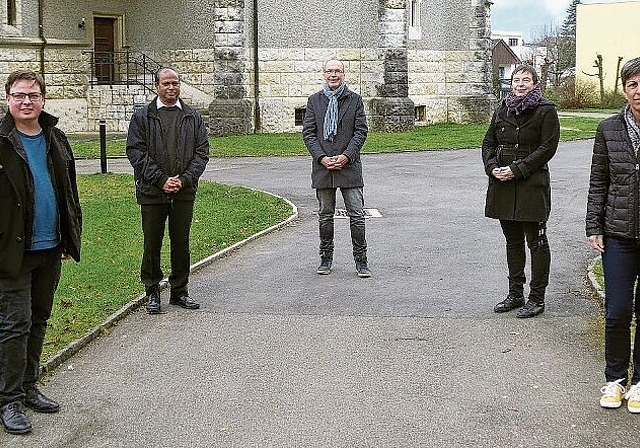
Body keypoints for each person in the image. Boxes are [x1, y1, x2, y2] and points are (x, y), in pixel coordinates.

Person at [0, 69, 82, 435]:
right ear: (7, 99)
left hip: (50, 248)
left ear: (43, 99)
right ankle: (8, 399)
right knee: (13, 325)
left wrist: (68, 237)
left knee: (38, 319)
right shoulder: (2, 141)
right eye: (19, 95)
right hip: (10, 252)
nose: (26, 101)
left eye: (33, 95)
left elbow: (69, 192)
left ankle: (29, 386)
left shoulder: (55, 138)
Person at [126, 68, 209, 314]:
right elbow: (136, 152)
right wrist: (161, 179)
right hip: (152, 193)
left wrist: (183, 180)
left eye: (175, 83)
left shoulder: (192, 117)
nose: (171, 88)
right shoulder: (143, 116)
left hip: (183, 192)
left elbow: (201, 152)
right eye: (166, 83)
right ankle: (152, 291)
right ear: (157, 86)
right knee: (152, 243)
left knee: (181, 243)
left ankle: (179, 291)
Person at [481, 64, 560, 318]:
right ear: (511, 83)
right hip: (503, 185)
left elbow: (547, 147)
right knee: (512, 242)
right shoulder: (501, 109)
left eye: (526, 80)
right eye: (517, 80)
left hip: (531, 185)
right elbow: (488, 143)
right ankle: (515, 294)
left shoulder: (546, 111)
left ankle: (537, 298)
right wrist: (492, 167)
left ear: (535, 83)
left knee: (536, 242)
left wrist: (518, 168)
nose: (521, 84)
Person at [586, 56, 640, 412]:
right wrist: (594, 226)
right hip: (619, 234)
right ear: (624, 89)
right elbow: (598, 181)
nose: (639, 91)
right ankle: (616, 379)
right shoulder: (608, 128)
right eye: (633, 84)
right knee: (617, 310)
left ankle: (639, 384)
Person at [302, 59, 370, 277]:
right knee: (325, 215)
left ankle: (361, 262)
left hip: (348, 167)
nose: (333, 75)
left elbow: (361, 132)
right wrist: (321, 157)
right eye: (329, 71)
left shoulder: (355, 100)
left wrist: (346, 156)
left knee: (357, 215)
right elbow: (309, 133)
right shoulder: (314, 101)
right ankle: (325, 259)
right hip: (323, 168)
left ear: (343, 74)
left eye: (337, 71)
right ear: (324, 74)